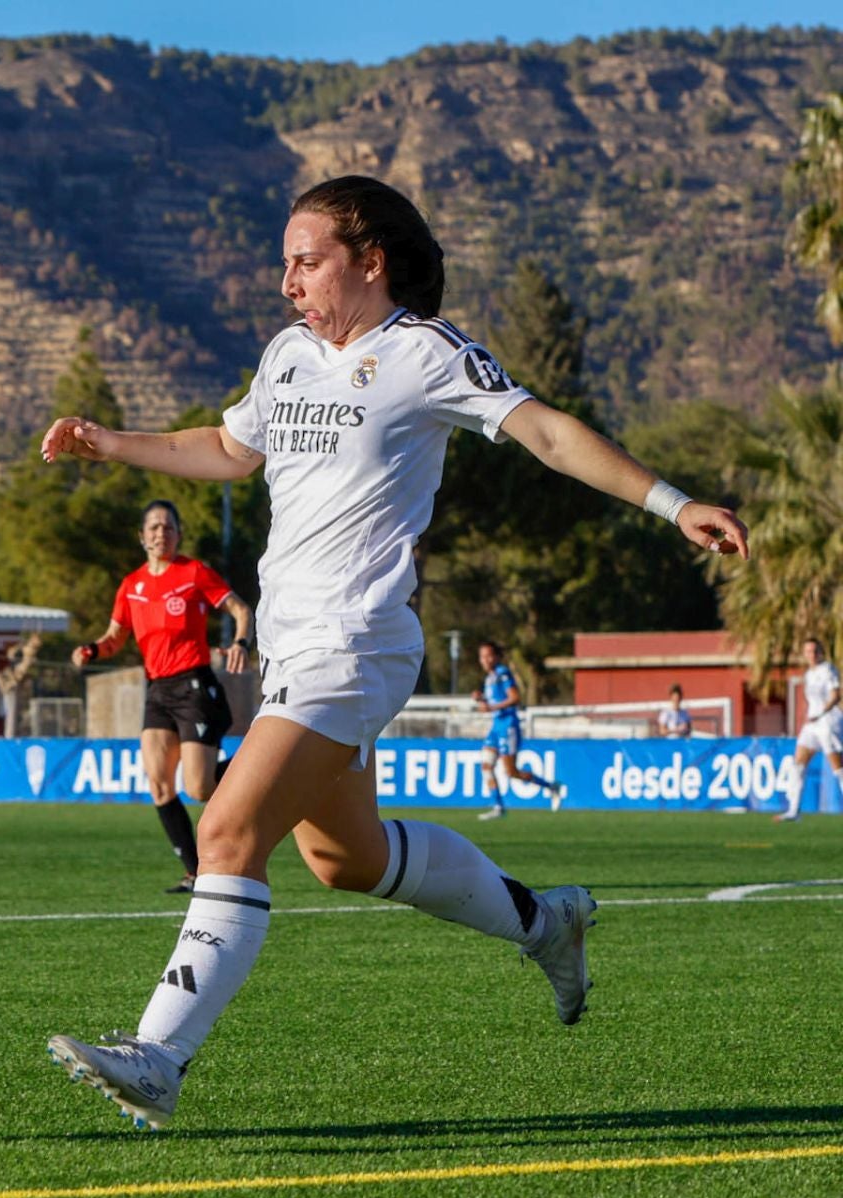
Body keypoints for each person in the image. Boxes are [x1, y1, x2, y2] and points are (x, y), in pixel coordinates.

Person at [36, 174, 749, 1130]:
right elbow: (228, 446)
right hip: (294, 650)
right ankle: (548, 923)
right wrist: (110, 444)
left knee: (226, 832)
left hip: (358, 643)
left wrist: (673, 505)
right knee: (347, 857)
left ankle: (160, 1055)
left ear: (370, 263)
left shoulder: (422, 353)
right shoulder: (288, 354)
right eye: (284, 261)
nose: (287, 282)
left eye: (307, 261)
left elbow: (543, 430)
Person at [72, 500, 254, 893]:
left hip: (193, 685)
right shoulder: (131, 585)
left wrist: (241, 641)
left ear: (179, 534)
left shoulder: (194, 573)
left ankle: (255, 766)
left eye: (168, 527)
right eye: (153, 527)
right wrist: (90, 650)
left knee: (200, 789)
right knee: (158, 785)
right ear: (142, 537)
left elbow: (241, 610)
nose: (161, 533)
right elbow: (114, 638)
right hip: (157, 689)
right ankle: (195, 872)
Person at [473, 641, 567, 820]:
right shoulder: (489, 679)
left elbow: (515, 698)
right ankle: (498, 807)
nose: (485, 660)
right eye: (482, 656)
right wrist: (481, 699)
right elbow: (494, 701)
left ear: (497, 657)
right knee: (486, 765)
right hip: (496, 726)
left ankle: (552, 787)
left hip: (508, 726)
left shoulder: (502, 673)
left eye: (488, 655)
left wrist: (491, 707)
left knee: (512, 772)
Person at [777, 638, 841, 823]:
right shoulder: (809, 674)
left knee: (838, 769)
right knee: (798, 765)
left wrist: (821, 713)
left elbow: (836, 695)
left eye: (814, 651)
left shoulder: (827, 669)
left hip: (828, 722)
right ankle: (794, 811)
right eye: (808, 651)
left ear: (821, 652)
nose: (811, 655)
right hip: (812, 724)